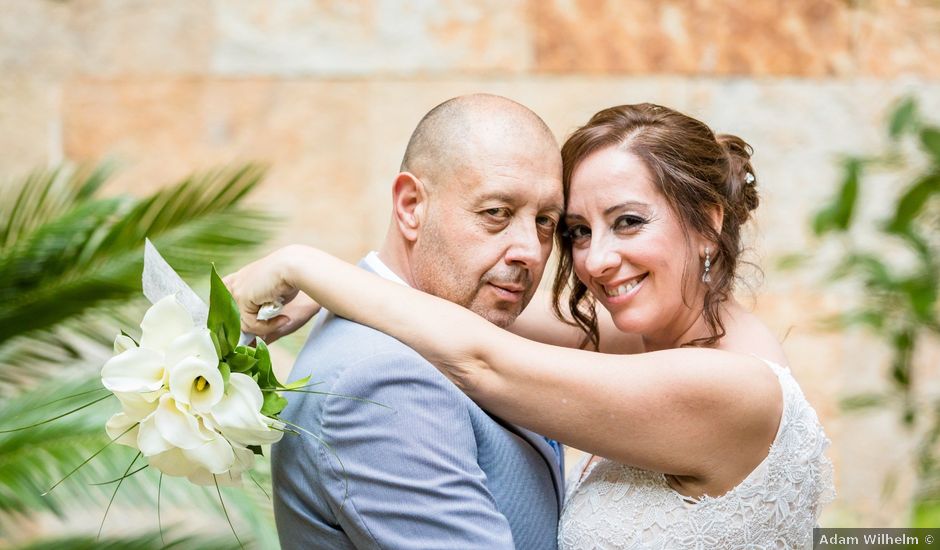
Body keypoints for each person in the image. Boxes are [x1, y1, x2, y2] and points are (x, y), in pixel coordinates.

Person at [227, 103, 835, 548]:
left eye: (627, 222)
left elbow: (483, 355)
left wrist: (302, 265)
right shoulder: (672, 330)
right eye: (575, 231)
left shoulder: (728, 389)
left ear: (706, 222)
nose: (594, 260)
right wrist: (349, 285)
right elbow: (470, 305)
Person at [263, 94, 567, 549]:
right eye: (496, 213)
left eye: (545, 221)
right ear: (410, 206)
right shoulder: (381, 381)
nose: (530, 248)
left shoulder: (463, 317)